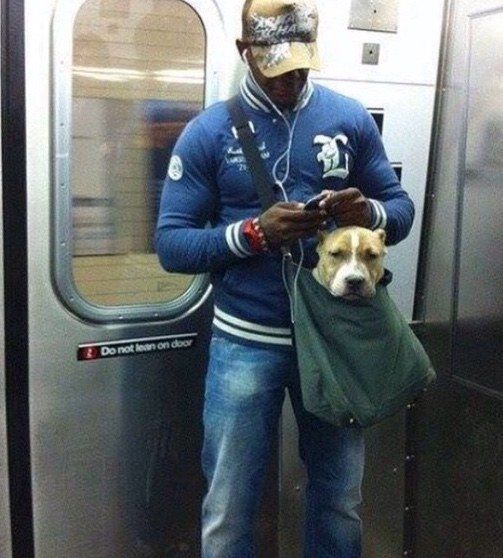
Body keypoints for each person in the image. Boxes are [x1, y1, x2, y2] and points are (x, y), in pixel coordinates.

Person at [155, 0, 415, 556]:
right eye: (276, 69)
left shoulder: (348, 119)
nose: (291, 81)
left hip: (335, 341)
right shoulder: (209, 133)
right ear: (244, 53)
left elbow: (401, 209)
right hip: (246, 341)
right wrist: (252, 234)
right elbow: (171, 246)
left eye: (301, 67)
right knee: (229, 506)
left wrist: (365, 211)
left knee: (339, 497)